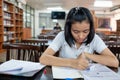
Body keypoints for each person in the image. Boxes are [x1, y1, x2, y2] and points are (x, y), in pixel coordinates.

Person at [40, 7, 119, 70]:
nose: (81, 36)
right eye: (76, 31)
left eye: (85, 31)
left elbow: (114, 62)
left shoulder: (95, 38)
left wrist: (87, 55)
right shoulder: (62, 36)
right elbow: (43, 59)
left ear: (90, 28)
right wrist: (72, 62)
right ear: (69, 28)